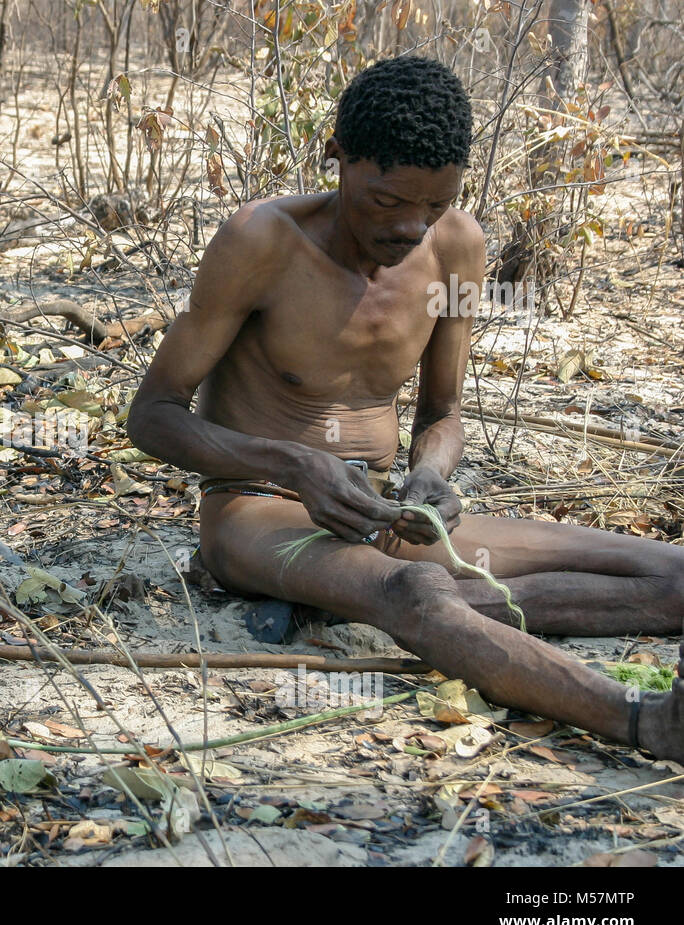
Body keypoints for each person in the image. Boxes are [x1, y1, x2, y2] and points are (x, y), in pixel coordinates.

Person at [127, 56, 684, 760]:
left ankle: (433, 611)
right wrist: (294, 464)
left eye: (436, 204)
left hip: (391, 519)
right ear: (336, 157)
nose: (410, 228)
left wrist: (431, 474)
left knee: (673, 575)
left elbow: (443, 415)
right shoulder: (261, 242)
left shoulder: (458, 248)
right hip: (257, 512)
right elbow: (151, 415)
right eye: (387, 202)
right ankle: (648, 722)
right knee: (417, 593)